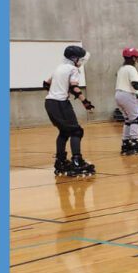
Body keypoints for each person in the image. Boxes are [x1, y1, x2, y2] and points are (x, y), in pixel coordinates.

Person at [44, 45, 94, 176]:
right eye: (81, 59)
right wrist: (85, 102)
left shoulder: (58, 68)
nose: (81, 62)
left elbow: (46, 83)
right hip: (60, 103)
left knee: (64, 132)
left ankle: (60, 161)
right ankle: (77, 160)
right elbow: (74, 88)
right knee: (76, 131)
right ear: (74, 59)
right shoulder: (73, 69)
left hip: (49, 102)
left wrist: (55, 93)